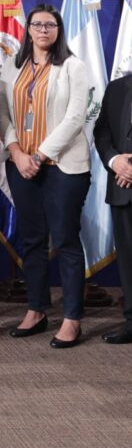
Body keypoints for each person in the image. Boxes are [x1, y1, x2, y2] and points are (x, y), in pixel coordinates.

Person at [0, 4, 90, 348]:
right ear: (28, 29)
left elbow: (75, 117)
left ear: (58, 30)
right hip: (21, 165)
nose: (43, 30)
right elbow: (2, 113)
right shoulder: (13, 65)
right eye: (37, 24)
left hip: (62, 167)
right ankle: (36, 310)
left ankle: (72, 318)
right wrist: (17, 152)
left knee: (65, 241)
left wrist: (38, 155)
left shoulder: (73, 66)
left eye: (50, 25)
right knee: (32, 241)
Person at [94, 70, 132, 345]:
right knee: (128, 260)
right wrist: (114, 160)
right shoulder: (117, 87)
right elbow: (102, 130)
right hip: (122, 188)